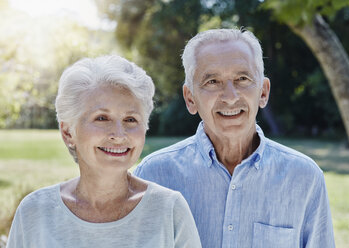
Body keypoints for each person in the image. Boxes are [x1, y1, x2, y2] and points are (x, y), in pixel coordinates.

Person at [134, 29, 335, 247]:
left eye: (242, 78)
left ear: (263, 92)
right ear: (190, 99)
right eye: (212, 82)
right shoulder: (153, 175)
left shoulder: (305, 177)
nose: (230, 97)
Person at [6, 55, 202, 248]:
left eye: (131, 119)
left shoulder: (169, 209)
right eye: (101, 118)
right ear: (68, 132)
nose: (119, 134)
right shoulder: (35, 212)